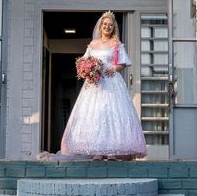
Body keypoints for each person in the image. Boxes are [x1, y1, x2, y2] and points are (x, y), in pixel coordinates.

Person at [60, 11, 147, 160]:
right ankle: (98, 151)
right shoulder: (93, 44)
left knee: (111, 113)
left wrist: (115, 67)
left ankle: (112, 151)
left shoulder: (116, 44)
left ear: (113, 28)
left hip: (112, 83)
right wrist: (86, 70)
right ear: (100, 27)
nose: (107, 27)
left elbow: (124, 63)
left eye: (110, 25)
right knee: (96, 114)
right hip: (95, 84)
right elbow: (84, 61)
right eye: (105, 24)